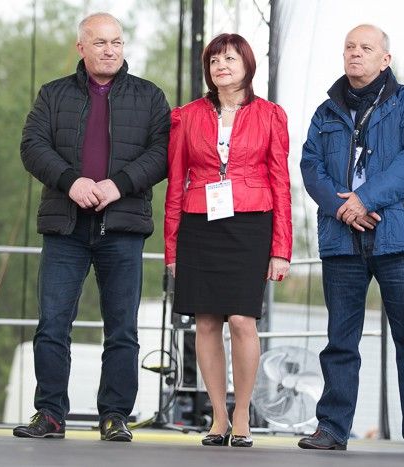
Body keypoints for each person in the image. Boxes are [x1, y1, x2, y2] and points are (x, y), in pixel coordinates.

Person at [13, 12, 170, 441]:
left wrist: (118, 184)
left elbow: (162, 153)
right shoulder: (53, 94)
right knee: (52, 324)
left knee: (122, 329)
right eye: (100, 42)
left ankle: (115, 415)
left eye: (116, 42)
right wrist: (71, 181)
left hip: (122, 227)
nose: (109, 50)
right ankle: (50, 414)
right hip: (65, 227)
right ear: (81, 47)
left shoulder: (150, 96)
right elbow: (32, 146)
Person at [297, 24, 404, 453]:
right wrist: (342, 207)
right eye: (349, 47)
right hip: (342, 238)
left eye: (366, 48)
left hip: (400, 238)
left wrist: (364, 198)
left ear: (385, 59)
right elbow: (310, 166)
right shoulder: (326, 112)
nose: (355, 53)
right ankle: (332, 428)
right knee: (340, 340)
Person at [164, 33, 292, 448]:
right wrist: (171, 248)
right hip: (200, 223)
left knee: (241, 320)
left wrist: (281, 249)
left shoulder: (271, 115)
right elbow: (175, 185)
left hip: (251, 224)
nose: (221, 66)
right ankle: (218, 416)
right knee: (205, 322)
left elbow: (281, 183)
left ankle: (242, 413)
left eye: (230, 59)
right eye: (215, 60)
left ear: (247, 65)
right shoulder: (186, 116)